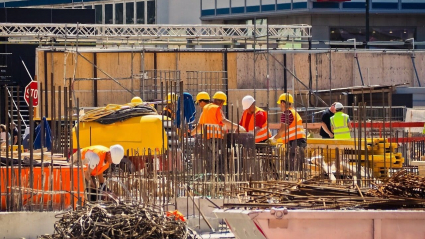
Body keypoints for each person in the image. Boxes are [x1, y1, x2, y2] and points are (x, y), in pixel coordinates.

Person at [269, 93, 306, 171]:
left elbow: (283, 129)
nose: (280, 106)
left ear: (283, 103)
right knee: (298, 168)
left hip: (294, 143)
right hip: (300, 141)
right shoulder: (293, 112)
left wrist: (274, 138)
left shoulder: (287, 113)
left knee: (291, 168)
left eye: (280, 104)